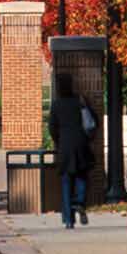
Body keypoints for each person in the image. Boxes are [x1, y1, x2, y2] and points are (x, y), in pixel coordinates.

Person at [49, 74, 94, 228]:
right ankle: (79, 201)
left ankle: (69, 220)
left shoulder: (56, 105)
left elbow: (52, 128)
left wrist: (58, 141)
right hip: (81, 144)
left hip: (64, 146)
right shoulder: (80, 101)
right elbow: (92, 122)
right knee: (81, 176)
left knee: (66, 182)